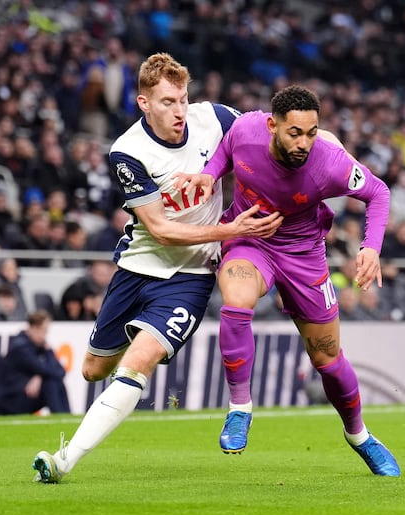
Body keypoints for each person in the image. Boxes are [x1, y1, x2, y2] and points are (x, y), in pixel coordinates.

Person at [31, 53, 282, 484]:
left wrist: (323, 145)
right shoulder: (127, 152)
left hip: (190, 277)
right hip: (139, 265)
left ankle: (63, 460)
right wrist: (230, 230)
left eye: (183, 98)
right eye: (167, 102)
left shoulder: (215, 118)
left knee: (138, 361)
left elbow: (272, 128)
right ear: (144, 103)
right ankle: (117, 396)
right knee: (94, 369)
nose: (180, 111)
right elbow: (162, 230)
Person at [174, 85, 399, 476]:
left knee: (327, 360)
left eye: (312, 133)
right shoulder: (246, 130)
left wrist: (371, 247)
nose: (305, 143)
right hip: (250, 240)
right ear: (272, 125)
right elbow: (227, 149)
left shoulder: (330, 162)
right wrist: (210, 176)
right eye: (295, 133)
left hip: (304, 256)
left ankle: (359, 436)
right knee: (237, 301)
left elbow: (378, 193)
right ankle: (240, 409)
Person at [0, 310, 70, 415]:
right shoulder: (20, 347)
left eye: (46, 331)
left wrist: (39, 376)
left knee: (55, 382)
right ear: (32, 328)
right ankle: (61, 417)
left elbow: (61, 371)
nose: (44, 335)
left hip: (24, 392)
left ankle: (66, 417)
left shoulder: (38, 346)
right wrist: (47, 355)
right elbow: (43, 369)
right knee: (50, 383)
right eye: (42, 330)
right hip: (10, 398)